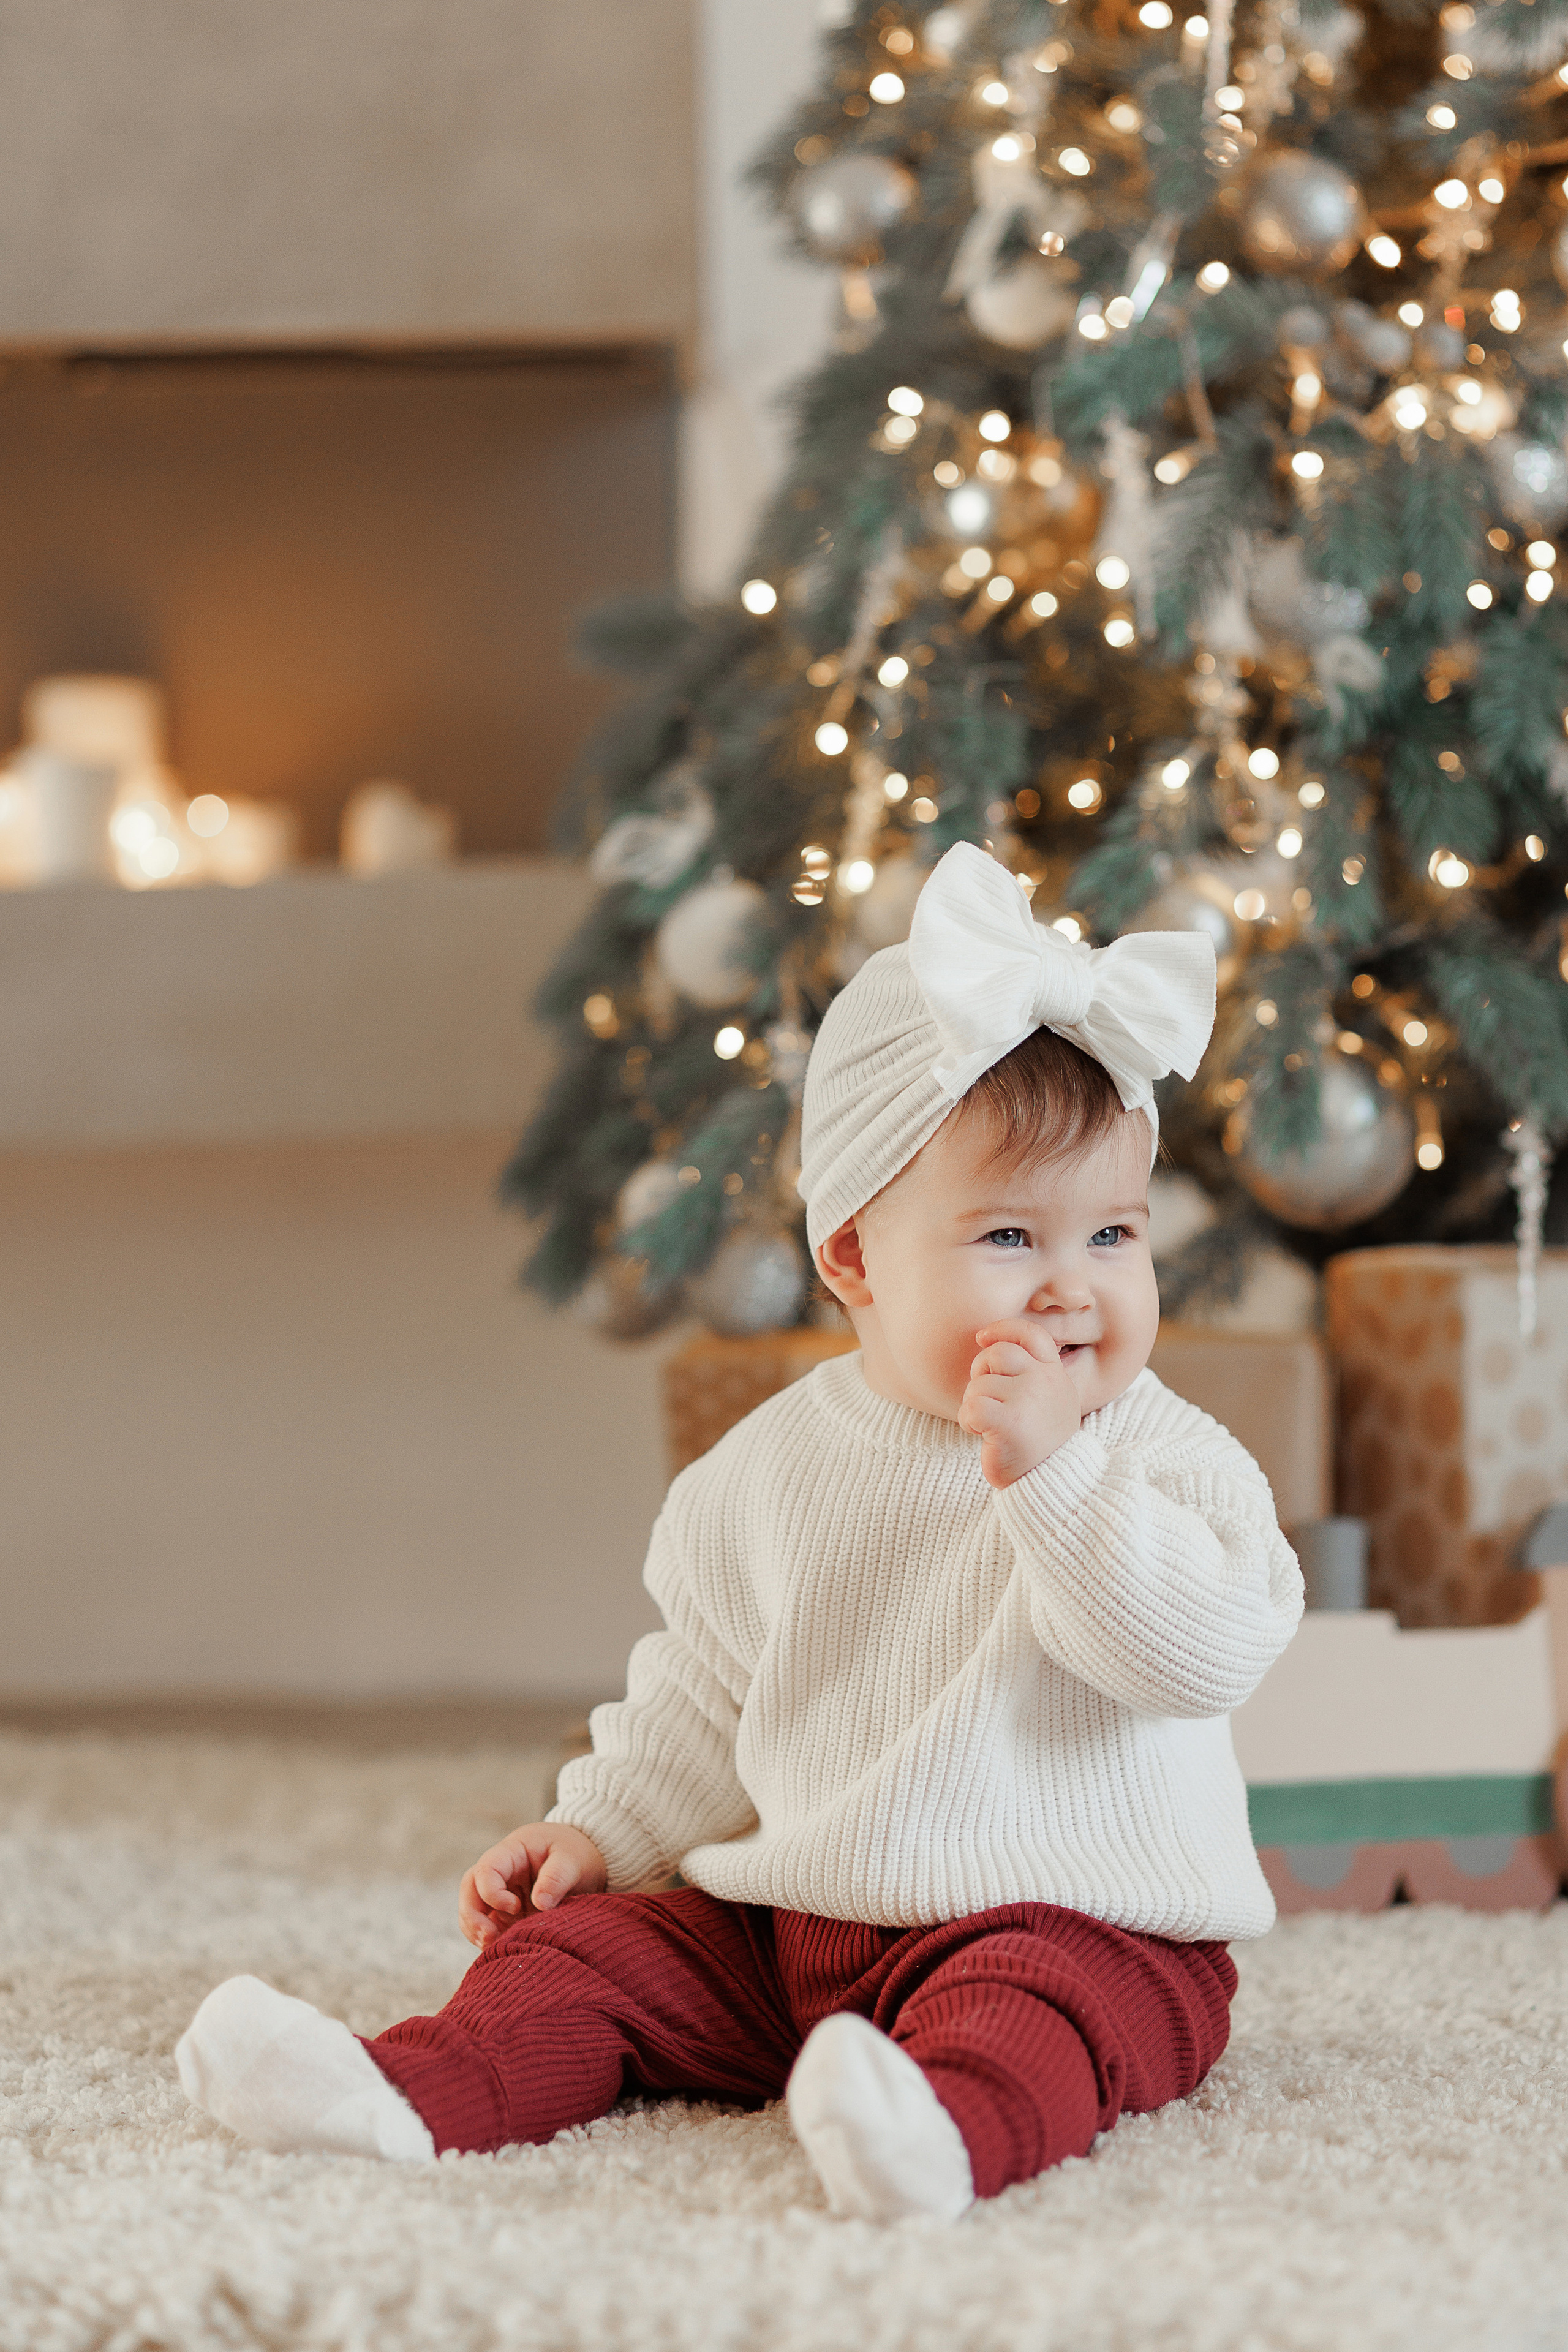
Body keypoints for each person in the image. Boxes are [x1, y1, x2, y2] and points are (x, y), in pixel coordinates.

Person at [176, 841, 1303, 2220]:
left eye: (1113, 1237)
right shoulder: (766, 1470)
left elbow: (1204, 1655)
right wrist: (598, 1832)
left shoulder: (1160, 1454)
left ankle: (940, 2132)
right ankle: (413, 2090)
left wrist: (1059, 1478)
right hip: (801, 1933)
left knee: (1037, 2008)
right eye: (1010, 1239)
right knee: (587, 1956)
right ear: (853, 1255)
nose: (1073, 1289)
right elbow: (706, 1698)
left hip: (1080, 1918)